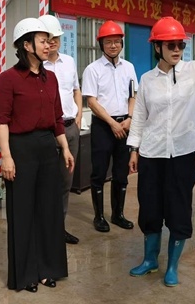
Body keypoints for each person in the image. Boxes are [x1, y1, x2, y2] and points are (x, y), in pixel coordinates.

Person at [126, 16, 195, 287]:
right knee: (150, 209)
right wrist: (134, 149)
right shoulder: (147, 80)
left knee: (179, 210)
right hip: (151, 154)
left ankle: (172, 266)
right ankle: (150, 260)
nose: (177, 49)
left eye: (180, 44)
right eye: (171, 45)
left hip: (183, 155)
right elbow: (140, 117)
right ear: (157, 47)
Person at [0, 17, 74, 293]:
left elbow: (57, 118)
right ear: (26, 45)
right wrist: (6, 156)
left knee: (49, 211)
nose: (48, 45)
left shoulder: (50, 78)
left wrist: (64, 148)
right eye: (42, 40)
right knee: (23, 212)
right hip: (21, 149)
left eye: (49, 40)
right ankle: (26, 273)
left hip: (47, 147)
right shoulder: (8, 79)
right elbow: (1, 120)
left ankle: (47, 268)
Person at [82, 20, 138, 233]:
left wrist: (130, 118)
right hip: (104, 126)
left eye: (117, 41)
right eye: (108, 42)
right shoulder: (93, 69)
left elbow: (133, 95)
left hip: (125, 124)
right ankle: (99, 217)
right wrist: (112, 123)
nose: (113, 45)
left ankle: (118, 214)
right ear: (101, 44)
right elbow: (91, 102)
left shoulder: (129, 67)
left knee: (121, 172)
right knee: (99, 172)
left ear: (122, 44)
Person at [39, 14, 82, 245]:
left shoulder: (69, 62)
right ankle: (44, 231)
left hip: (70, 128)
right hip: (47, 132)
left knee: (66, 183)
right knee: (46, 183)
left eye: (56, 37)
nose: (52, 41)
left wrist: (78, 117)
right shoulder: (37, 66)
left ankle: (59, 229)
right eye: (47, 37)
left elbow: (76, 90)